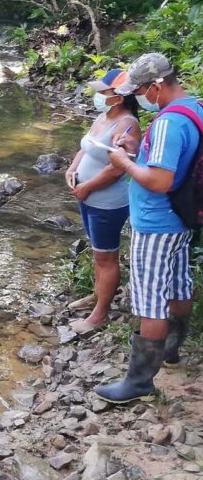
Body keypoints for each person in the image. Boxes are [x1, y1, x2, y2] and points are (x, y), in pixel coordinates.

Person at [95, 53, 203, 404]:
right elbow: (176, 160)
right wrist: (139, 149)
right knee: (177, 284)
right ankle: (171, 350)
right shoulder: (194, 109)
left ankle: (139, 382)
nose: (137, 95)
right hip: (181, 218)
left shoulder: (169, 122)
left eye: (139, 89)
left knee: (150, 300)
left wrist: (124, 161)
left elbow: (159, 180)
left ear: (156, 86)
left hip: (157, 222)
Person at [64, 69, 141, 334]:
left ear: (119, 97)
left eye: (104, 92)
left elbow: (118, 168)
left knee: (106, 257)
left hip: (107, 202)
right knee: (99, 254)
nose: (98, 95)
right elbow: (86, 147)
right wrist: (72, 169)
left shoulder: (128, 125)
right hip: (88, 196)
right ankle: (98, 297)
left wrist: (87, 187)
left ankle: (100, 315)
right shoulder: (103, 116)